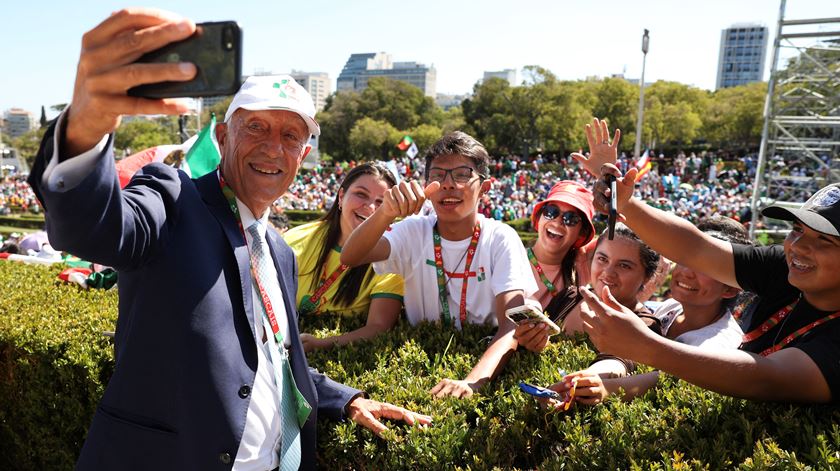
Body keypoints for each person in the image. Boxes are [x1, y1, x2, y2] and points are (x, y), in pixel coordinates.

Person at [27, 9, 429, 470]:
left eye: (290, 135)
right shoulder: (172, 195)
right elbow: (93, 229)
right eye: (255, 127)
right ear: (222, 134)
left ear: (304, 154)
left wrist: (347, 400)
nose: (273, 147)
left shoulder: (278, 249)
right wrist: (85, 127)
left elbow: (271, 356)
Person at [574, 121, 840, 403]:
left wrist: (645, 346)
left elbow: (767, 379)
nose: (798, 247)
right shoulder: (782, 266)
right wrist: (625, 203)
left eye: (825, 240)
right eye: (797, 230)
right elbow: (696, 248)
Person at [340, 131, 537, 399]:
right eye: (438, 176)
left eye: (462, 174)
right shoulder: (412, 231)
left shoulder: (501, 238)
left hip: (484, 359)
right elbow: (350, 256)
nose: (448, 185)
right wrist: (385, 212)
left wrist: (472, 382)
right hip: (416, 368)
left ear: (485, 187)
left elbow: (511, 324)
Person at [551, 217, 749, 405]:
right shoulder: (671, 308)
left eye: (705, 268)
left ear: (730, 288)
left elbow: (678, 377)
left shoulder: (723, 342)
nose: (686, 272)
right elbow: (635, 309)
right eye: (686, 259)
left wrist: (605, 387)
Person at [283, 163, 404, 352]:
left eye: (382, 202)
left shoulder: (392, 260)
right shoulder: (296, 238)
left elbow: (379, 327)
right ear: (341, 196)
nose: (371, 207)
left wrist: (321, 344)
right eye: (361, 194)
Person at [512, 181, 596, 352]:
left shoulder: (581, 262)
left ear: (582, 232)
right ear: (539, 217)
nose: (558, 222)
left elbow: (624, 236)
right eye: (551, 212)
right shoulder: (510, 258)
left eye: (570, 219)